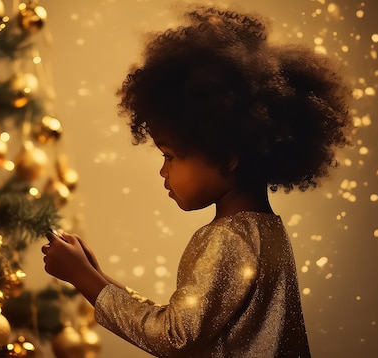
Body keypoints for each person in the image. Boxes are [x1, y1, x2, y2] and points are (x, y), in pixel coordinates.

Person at [42, 5, 351, 357]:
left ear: (226, 157)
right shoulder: (267, 232)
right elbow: (189, 324)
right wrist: (97, 276)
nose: (163, 171)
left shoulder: (225, 239)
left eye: (170, 156)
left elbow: (174, 338)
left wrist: (84, 279)